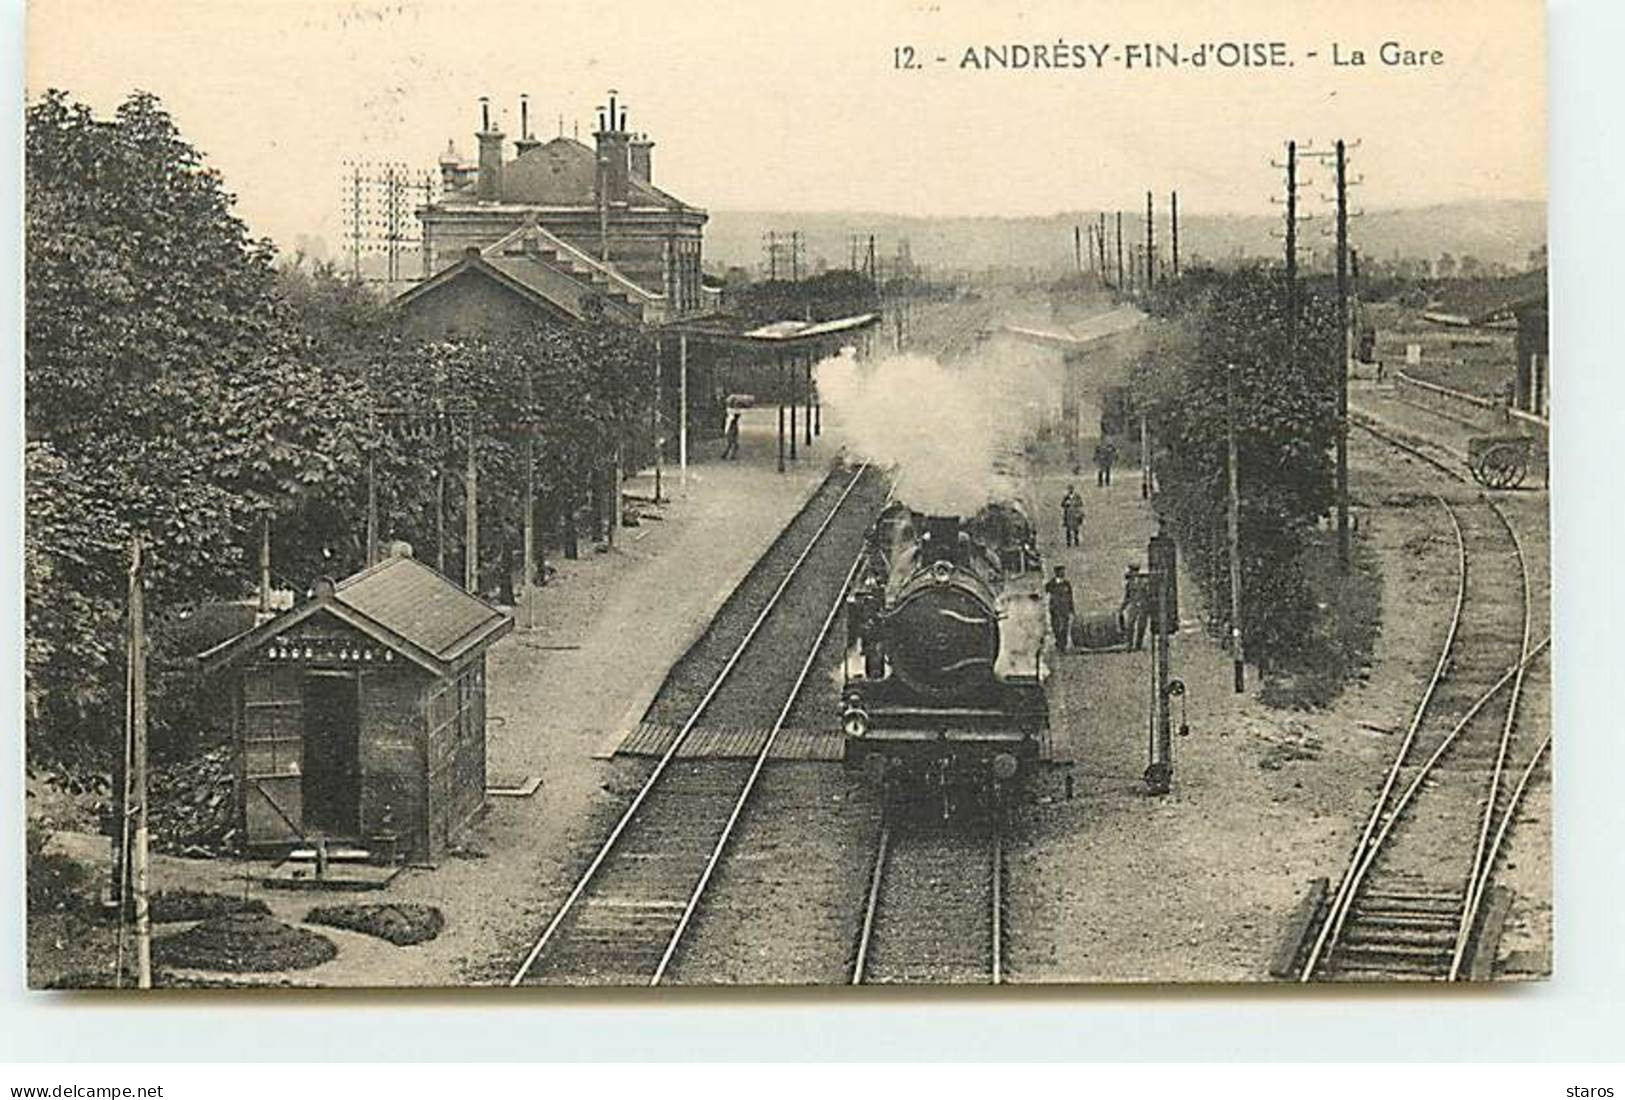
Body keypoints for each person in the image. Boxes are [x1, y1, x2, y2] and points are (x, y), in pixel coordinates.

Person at [1119, 563, 1152, 651]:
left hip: (1143, 606)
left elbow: (1149, 595)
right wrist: (1122, 608)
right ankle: (1129, 645)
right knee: (1130, 625)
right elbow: (1127, 597)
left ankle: (1138, 645)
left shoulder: (1144, 582)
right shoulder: (1129, 583)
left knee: (1141, 626)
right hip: (1133, 606)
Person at [1045, 564, 1075, 653]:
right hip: (1055, 609)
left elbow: (1070, 597)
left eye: (1063, 571)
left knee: (1065, 627)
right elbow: (1046, 595)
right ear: (1056, 573)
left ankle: (1063, 646)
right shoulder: (1051, 584)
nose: (1063, 573)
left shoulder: (1067, 584)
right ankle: (1058, 644)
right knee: (1056, 627)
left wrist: (1072, 609)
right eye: (1061, 571)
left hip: (1064, 609)